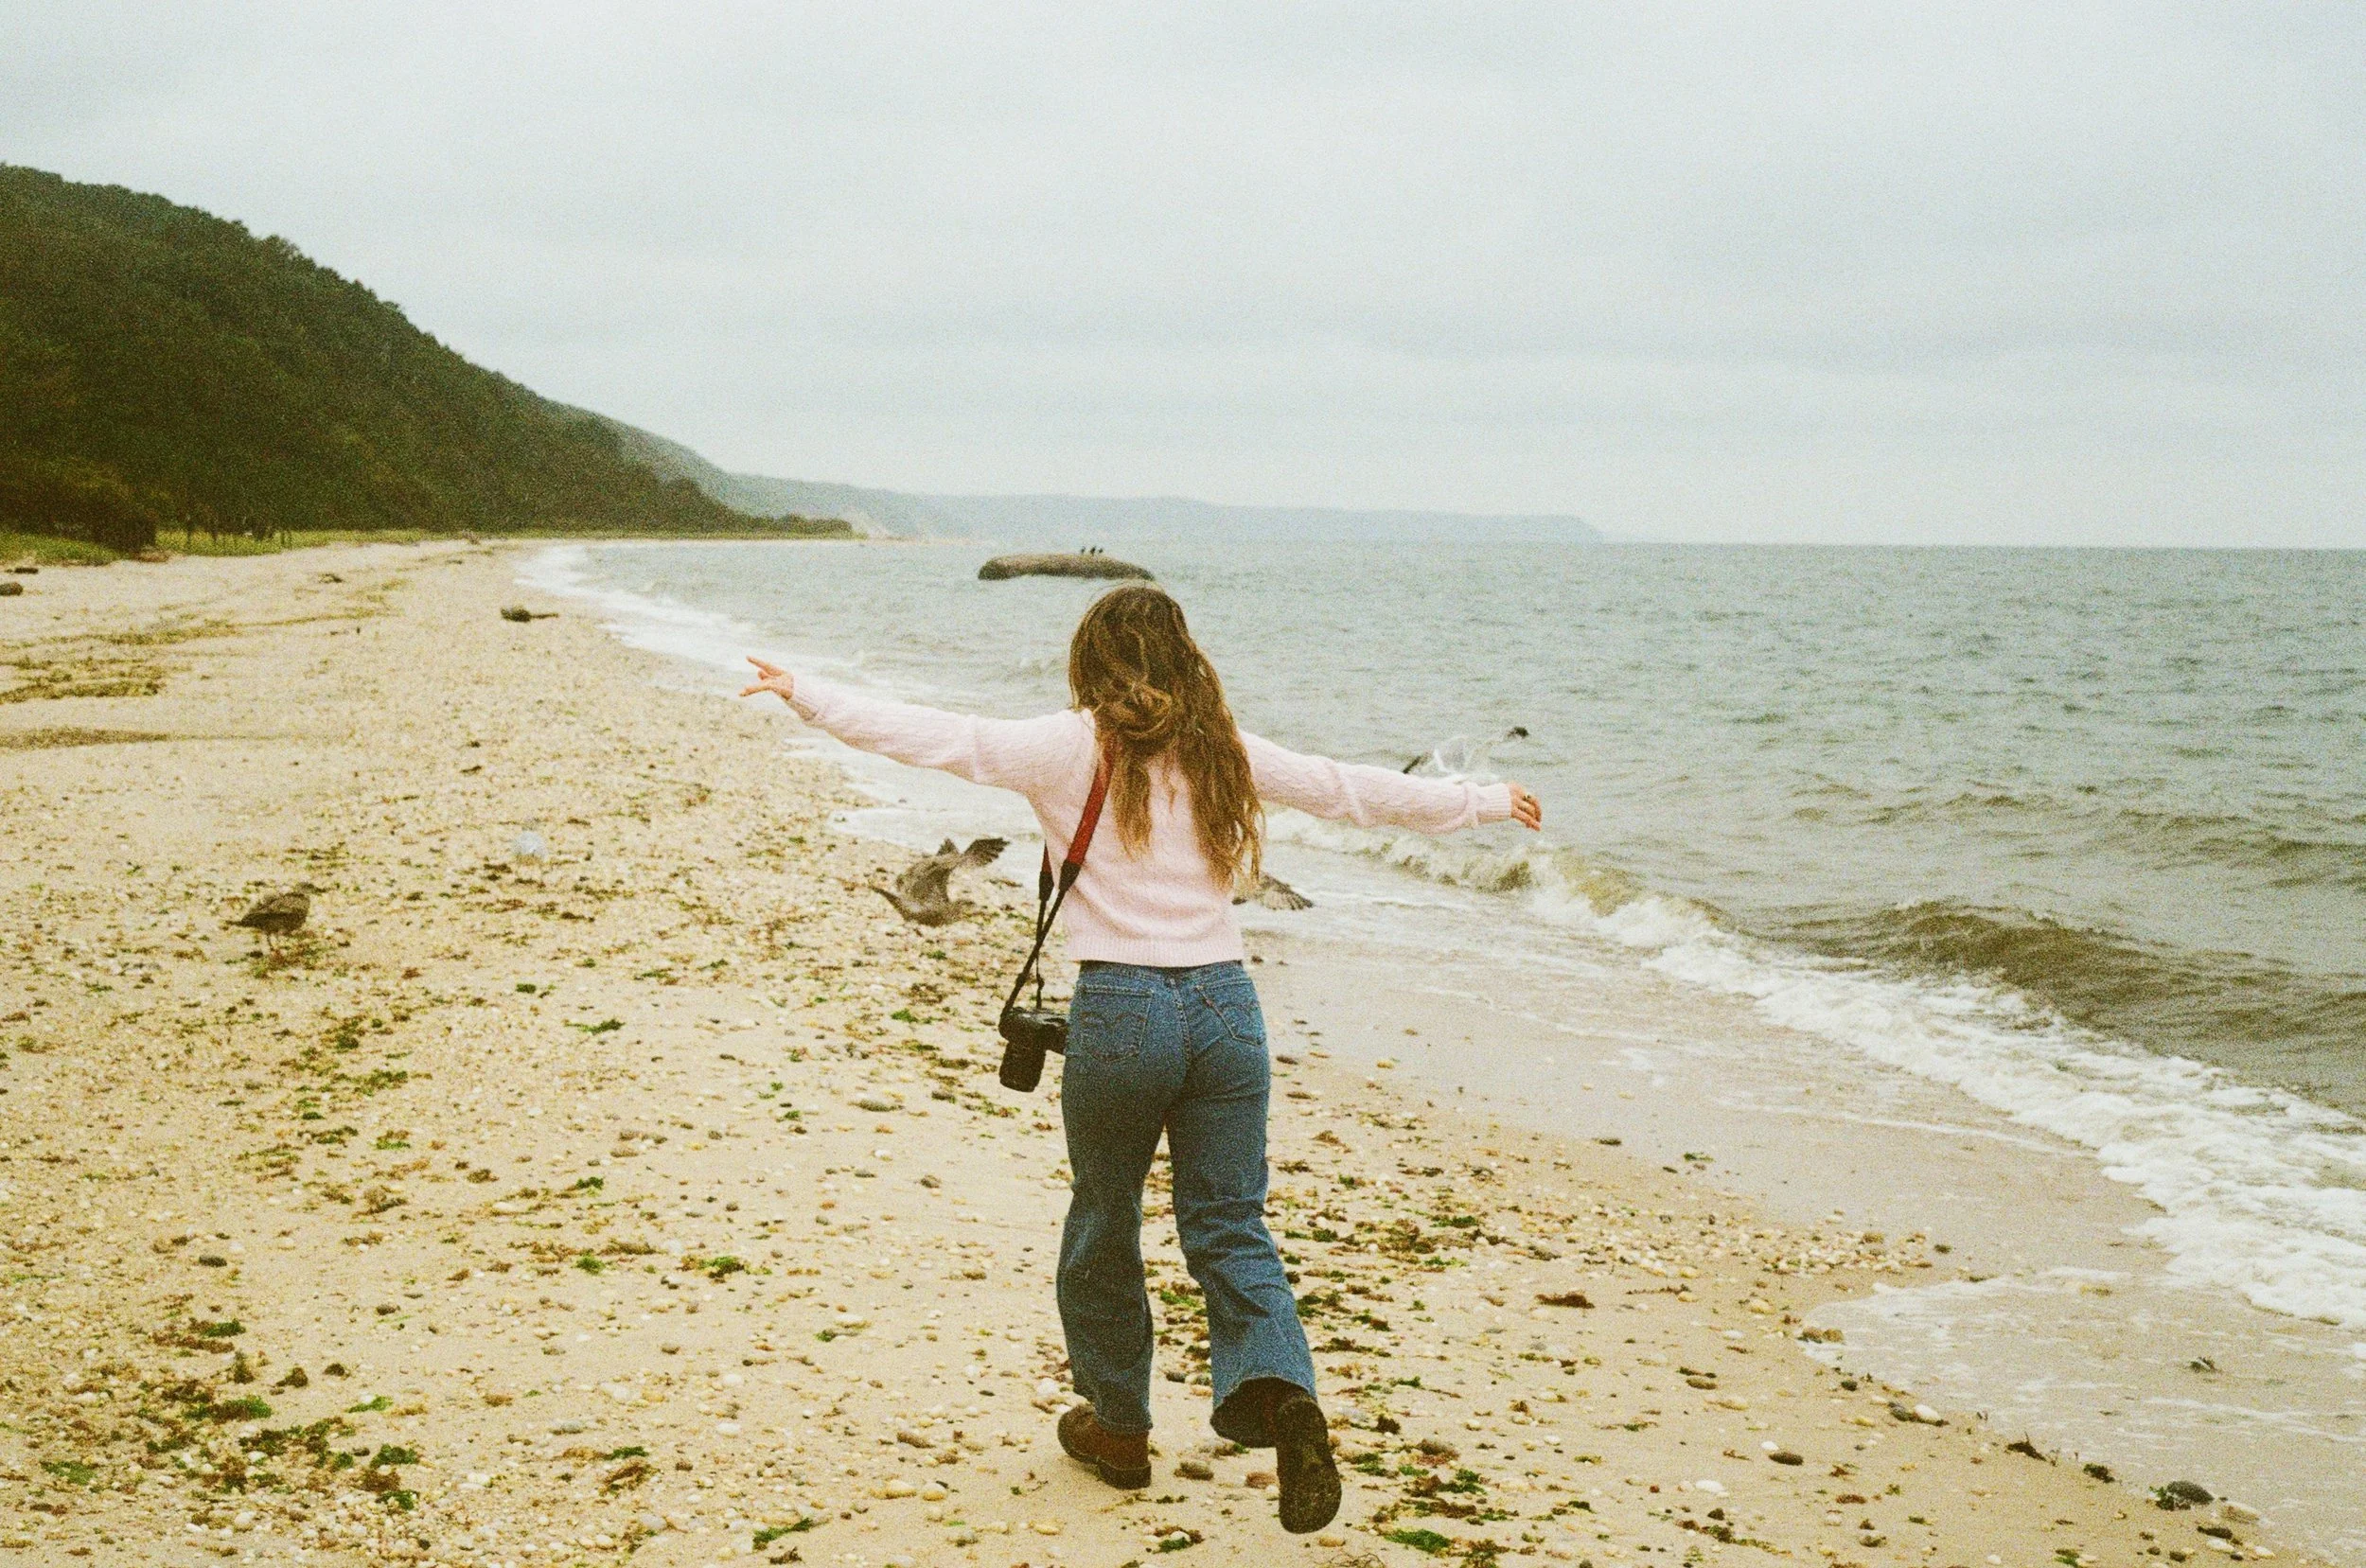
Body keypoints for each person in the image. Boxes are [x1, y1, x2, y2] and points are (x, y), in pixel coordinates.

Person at [740, 585, 1542, 1535]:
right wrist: (1482, 801)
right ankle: (1282, 1391)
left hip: (1122, 1010)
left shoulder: (1067, 744)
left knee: (1105, 1214)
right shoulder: (1222, 747)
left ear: (1092, 658)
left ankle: (1118, 1428)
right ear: (1182, 655)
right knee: (1229, 1222)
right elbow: (1347, 788)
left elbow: (936, 734)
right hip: (1226, 1009)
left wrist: (805, 692)